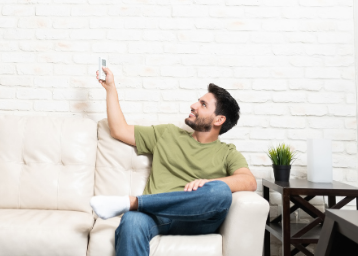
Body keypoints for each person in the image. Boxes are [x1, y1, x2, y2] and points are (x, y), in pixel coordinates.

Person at [90, 67, 257, 256]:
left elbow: (249, 181)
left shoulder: (227, 152)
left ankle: (134, 202)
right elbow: (119, 130)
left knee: (221, 192)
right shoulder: (167, 134)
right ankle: (136, 206)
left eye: (203, 104)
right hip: (154, 216)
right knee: (131, 221)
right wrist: (111, 88)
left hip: (197, 220)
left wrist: (209, 183)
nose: (194, 105)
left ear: (219, 119)